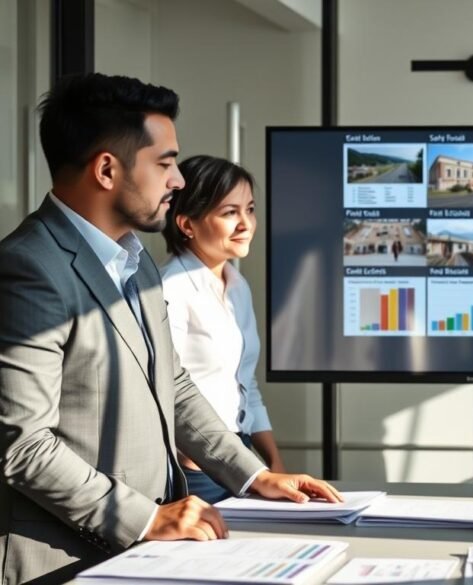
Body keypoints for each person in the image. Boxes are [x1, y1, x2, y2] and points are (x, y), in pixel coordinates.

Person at [0, 73, 340, 585]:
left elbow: (174, 386)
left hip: (149, 553)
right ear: (107, 170)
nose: (178, 181)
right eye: (164, 163)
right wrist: (145, 518)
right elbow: (22, 445)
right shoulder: (29, 268)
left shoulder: (136, 264)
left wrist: (253, 474)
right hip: (63, 561)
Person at [160, 155, 285, 504]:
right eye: (230, 212)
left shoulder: (237, 285)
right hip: (197, 464)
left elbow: (245, 384)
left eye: (250, 209)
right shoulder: (170, 288)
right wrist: (189, 459)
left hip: (242, 456)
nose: (246, 224)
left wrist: (273, 461)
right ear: (187, 224)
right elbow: (162, 388)